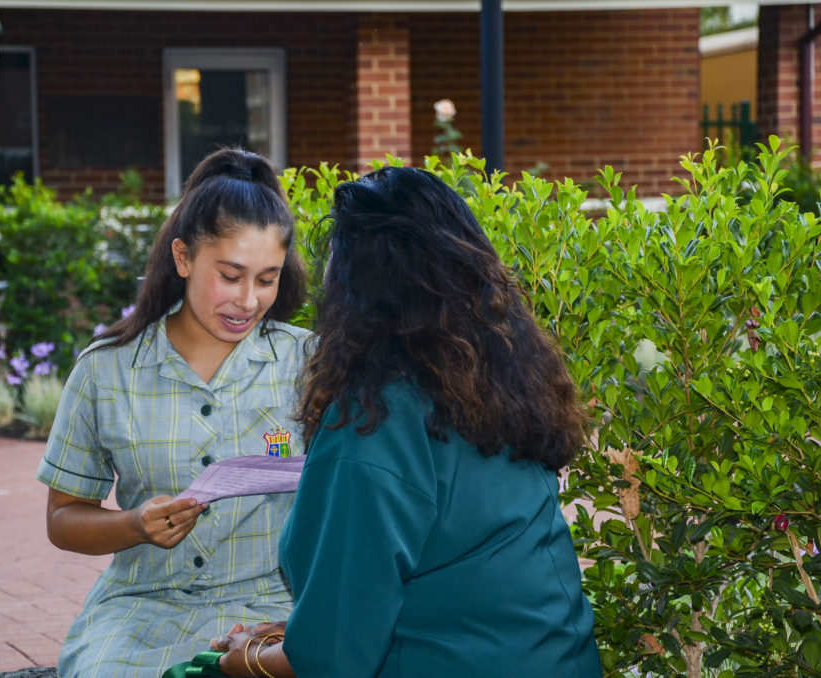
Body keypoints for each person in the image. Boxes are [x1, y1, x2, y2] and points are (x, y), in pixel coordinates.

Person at [211, 166, 602, 678]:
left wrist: (239, 661)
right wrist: (296, 631)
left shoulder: (375, 419)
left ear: (355, 290)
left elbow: (330, 660)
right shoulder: (500, 383)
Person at [36, 148, 310, 677]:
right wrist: (134, 524)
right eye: (231, 276)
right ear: (183, 258)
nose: (249, 301)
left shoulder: (308, 362)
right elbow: (63, 519)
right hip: (142, 608)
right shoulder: (106, 371)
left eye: (267, 278)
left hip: (275, 610)